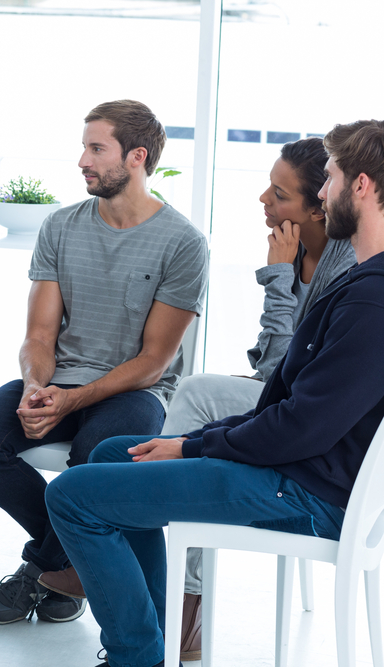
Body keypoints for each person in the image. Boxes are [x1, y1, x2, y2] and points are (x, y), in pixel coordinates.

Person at [44, 119, 384, 667]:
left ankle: (137, 657)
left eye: (333, 178)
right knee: (114, 454)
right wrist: (199, 439)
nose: (324, 191)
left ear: (362, 186)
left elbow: (300, 424)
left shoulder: (372, 299)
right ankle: (159, 632)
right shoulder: (360, 282)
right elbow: (279, 393)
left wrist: (192, 445)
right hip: (298, 469)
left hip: (304, 490)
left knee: (71, 495)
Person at [0, 99, 209, 626]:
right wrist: (34, 386)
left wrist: (73, 399)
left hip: (137, 392)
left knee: (98, 455)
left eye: (97, 148)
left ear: (136, 157)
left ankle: (38, 572)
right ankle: (70, 560)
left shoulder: (183, 243)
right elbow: (40, 334)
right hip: (60, 377)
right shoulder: (61, 227)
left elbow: (154, 362)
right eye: (84, 146)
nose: (82, 161)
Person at [163, 137, 355, 661]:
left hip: (314, 428)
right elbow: (271, 370)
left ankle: (183, 592)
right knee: (195, 400)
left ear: (321, 205)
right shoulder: (296, 251)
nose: (263, 202)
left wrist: (277, 281)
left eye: (280, 194)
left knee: (196, 393)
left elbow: (279, 376)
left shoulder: (345, 265)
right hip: (288, 403)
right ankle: (176, 581)